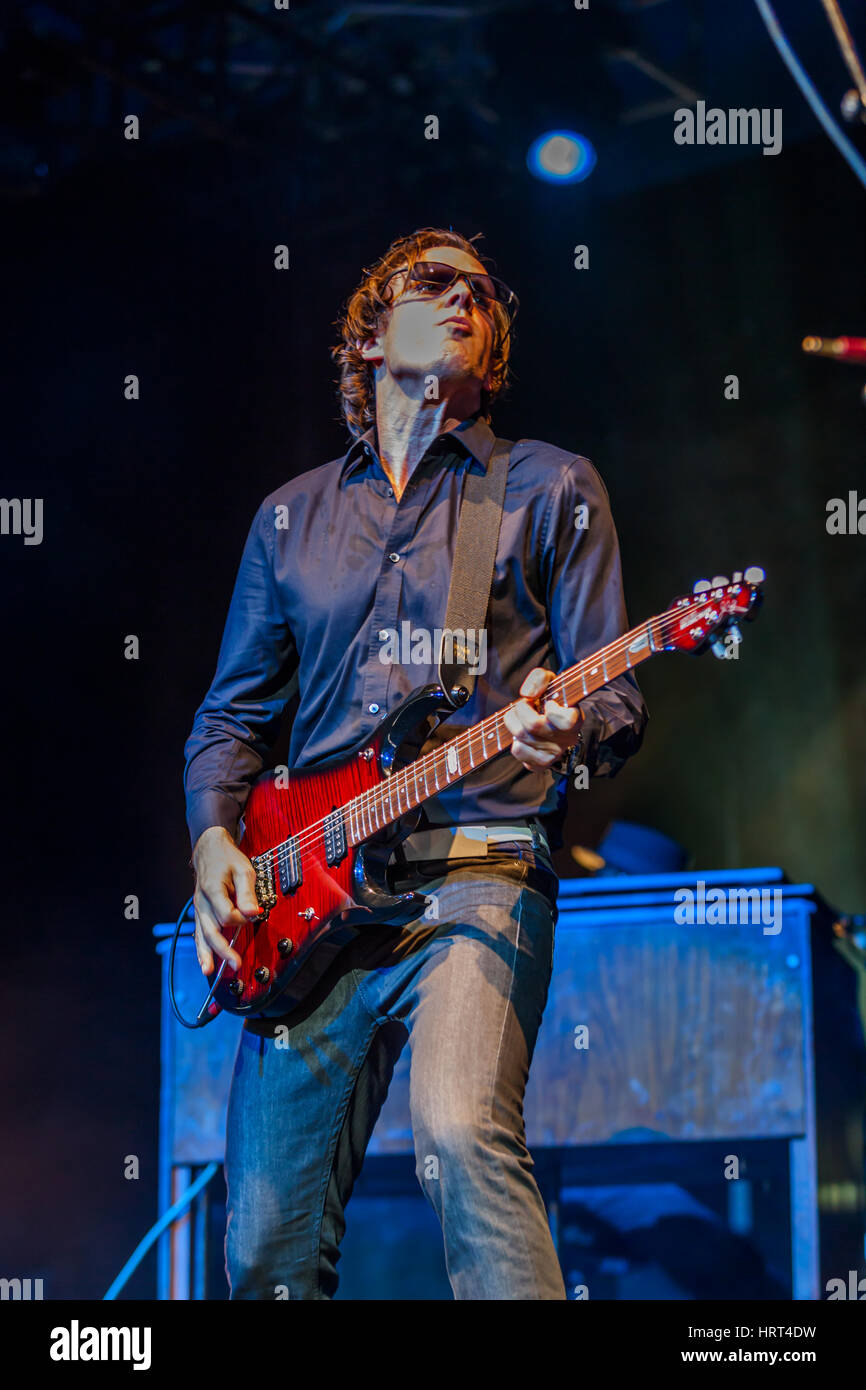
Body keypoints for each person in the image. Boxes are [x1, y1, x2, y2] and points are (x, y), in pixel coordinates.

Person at [183, 226, 648, 1300]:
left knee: (458, 1136)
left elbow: (611, 693)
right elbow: (229, 720)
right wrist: (214, 835)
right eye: (433, 282)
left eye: (483, 294)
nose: (464, 300)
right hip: (307, 899)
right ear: (366, 331)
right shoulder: (289, 519)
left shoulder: (548, 488)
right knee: (261, 1245)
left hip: (475, 877)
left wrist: (562, 729)